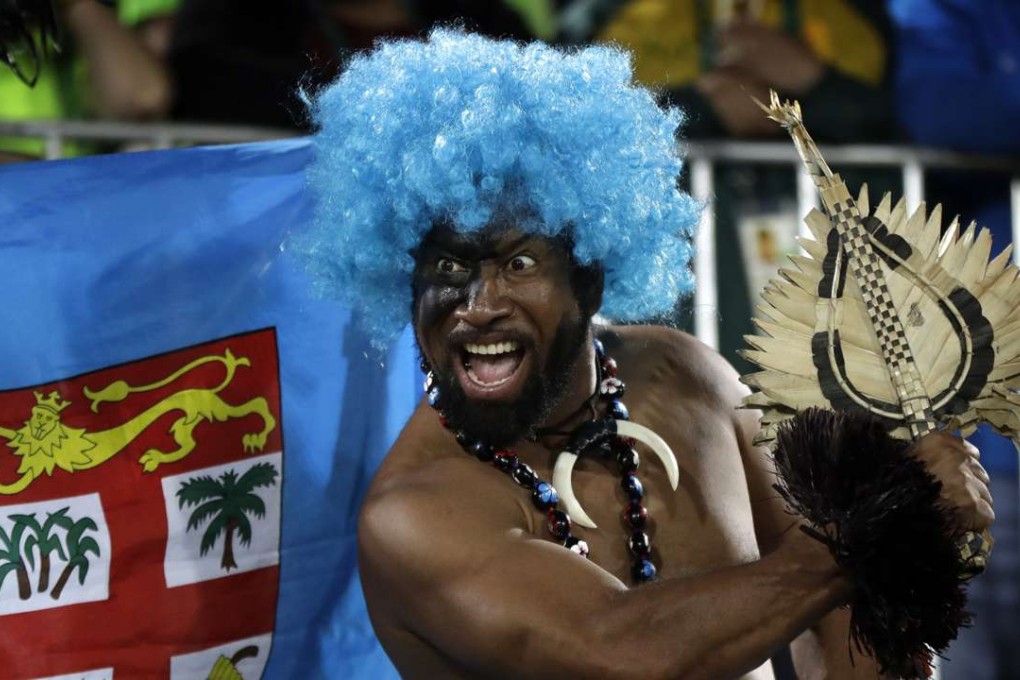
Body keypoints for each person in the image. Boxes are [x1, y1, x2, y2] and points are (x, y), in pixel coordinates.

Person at [293, 29, 994, 678]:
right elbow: (620, 653)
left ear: (591, 277)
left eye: (517, 264)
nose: (478, 304)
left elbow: (846, 629)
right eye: (448, 268)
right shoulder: (413, 514)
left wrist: (912, 541)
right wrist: (882, 522)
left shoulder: (688, 378)